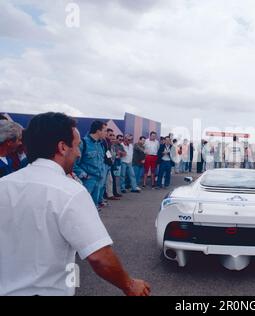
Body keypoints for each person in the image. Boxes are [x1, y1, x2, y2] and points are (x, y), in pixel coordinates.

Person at [0, 112, 150, 296]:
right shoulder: (70, 191)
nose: (79, 153)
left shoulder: (4, 184)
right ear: (62, 147)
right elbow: (99, 257)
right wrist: (129, 285)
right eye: (77, 146)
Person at [73, 121, 108, 209]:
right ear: (98, 131)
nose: (106, 133)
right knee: (83, 208)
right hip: (87, 181)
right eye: (105, 130)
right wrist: (85, 175)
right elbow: (73, 164)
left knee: (93, 208)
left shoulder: (100, 144)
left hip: (98, 180)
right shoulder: (83, 143)